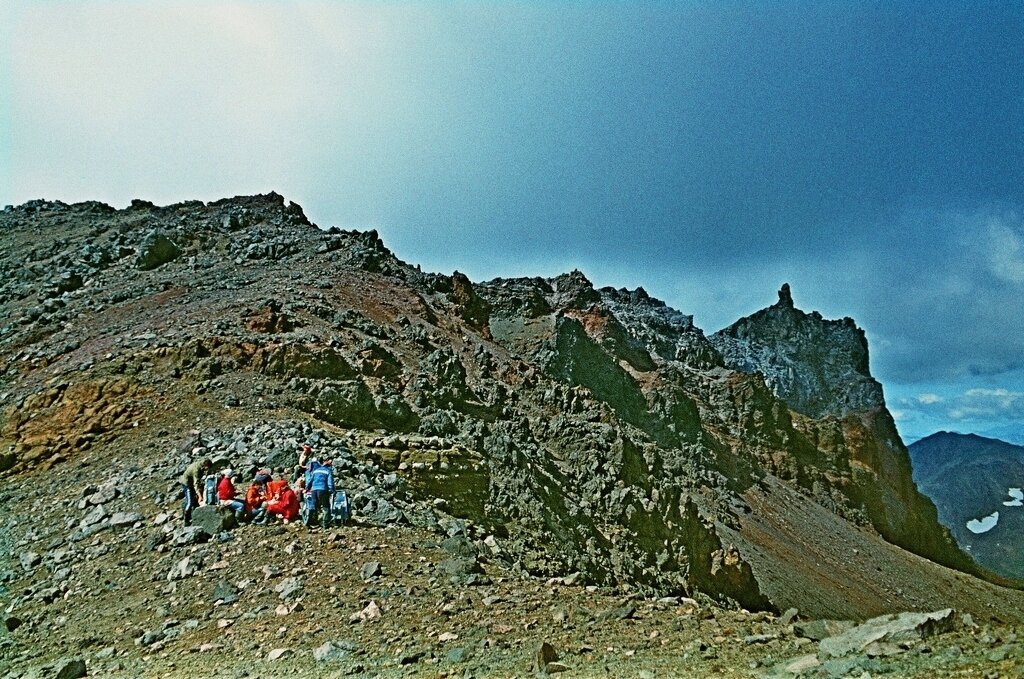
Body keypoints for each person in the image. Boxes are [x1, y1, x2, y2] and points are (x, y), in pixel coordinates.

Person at [304, 458, 335, 529]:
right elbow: (330, 483)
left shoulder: (316, 471)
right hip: (323, 490)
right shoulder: (328, 471)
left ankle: (314, 522)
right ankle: (325, 523)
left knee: (315, 506)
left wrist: (307, 489)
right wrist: (332, 490)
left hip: (314, 490)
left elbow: (310, 481)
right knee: (326, 506)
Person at [179, 456, 211, 525]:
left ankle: (193, 513)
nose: (207, 469)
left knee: (194, 499)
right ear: (205, 465)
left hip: (191, 482)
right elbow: (196, 484)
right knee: (189, 502)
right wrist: (200, 496)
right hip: (187, 484)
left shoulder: (200, 465)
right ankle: (186, 520)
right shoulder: (196, 470)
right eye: (207, 467)